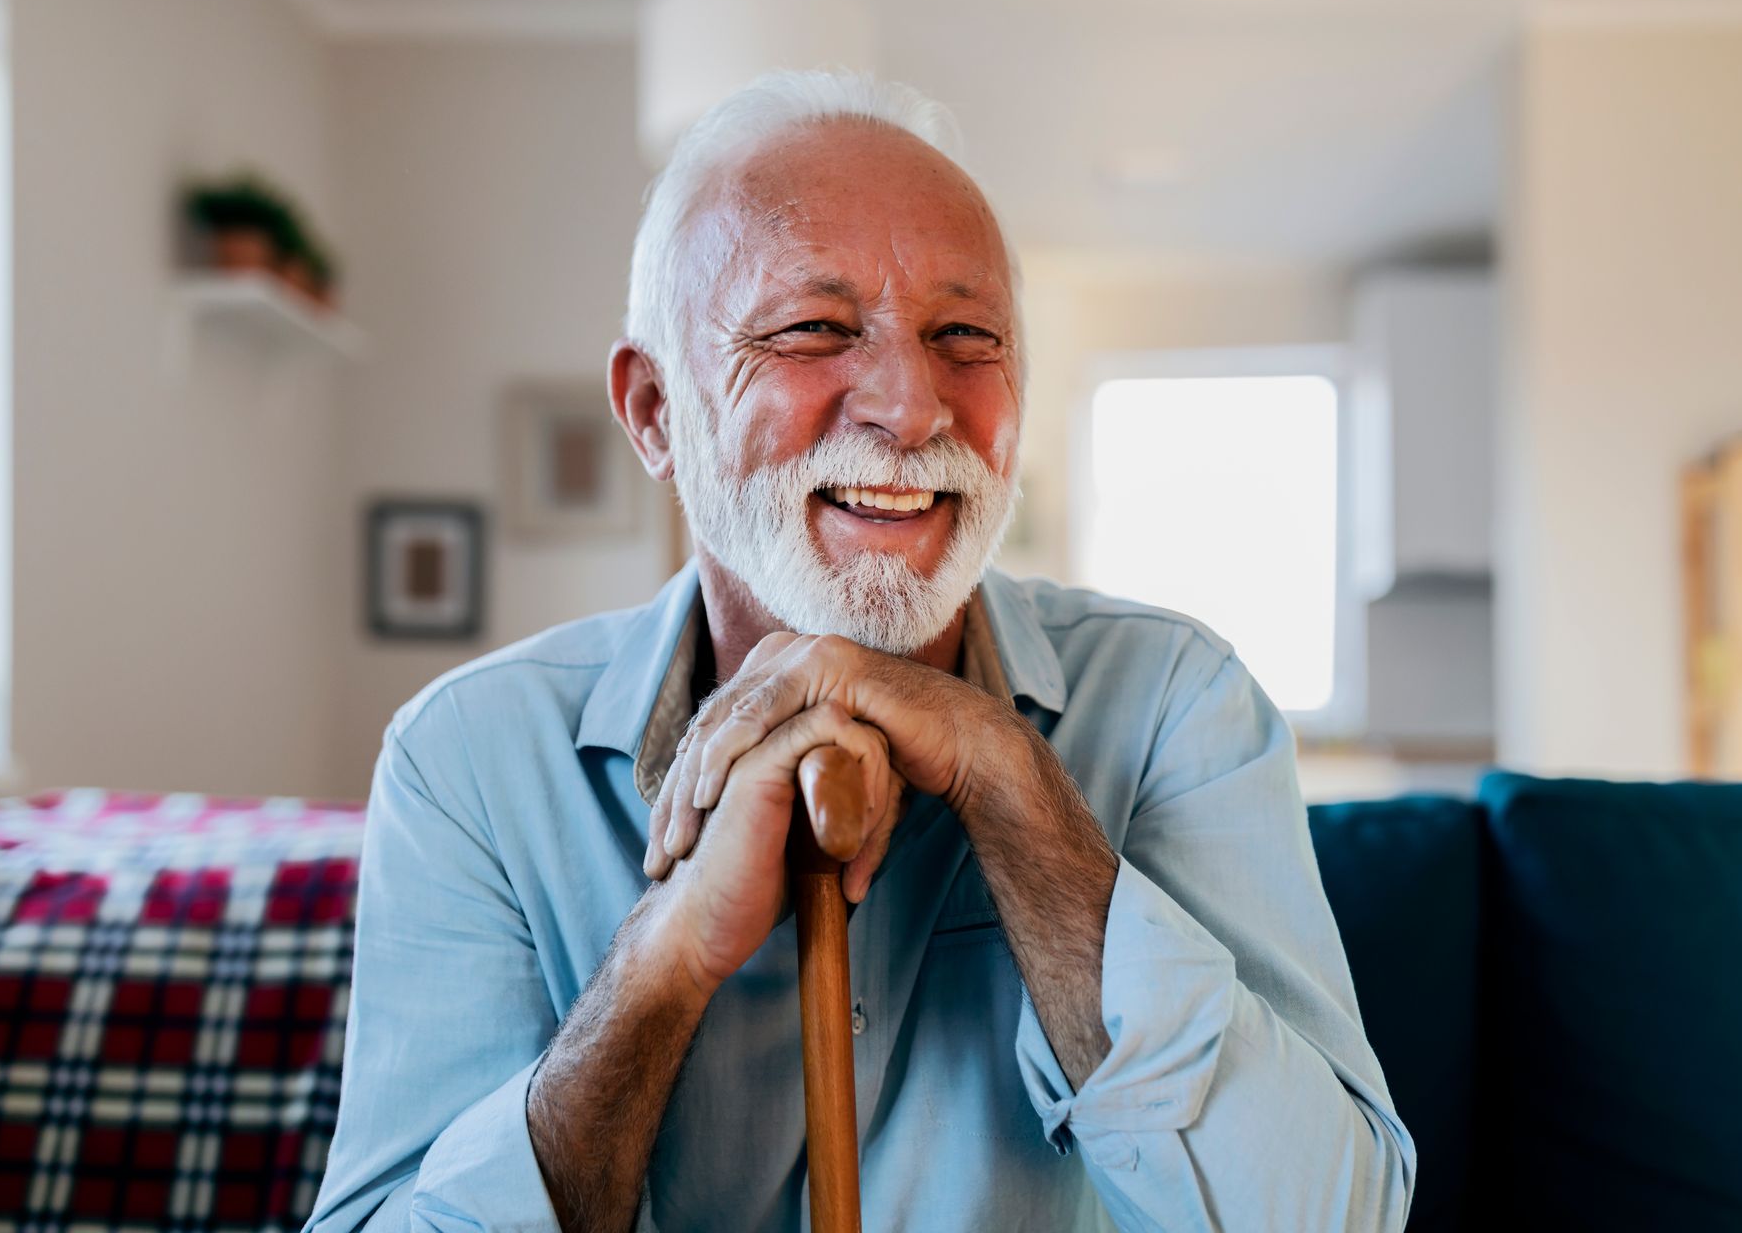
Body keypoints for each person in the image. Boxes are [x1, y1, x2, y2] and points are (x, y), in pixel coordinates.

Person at [307, 70, 1414, 1233]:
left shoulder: (1182, 704)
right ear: (652, 411)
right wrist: (662, 965)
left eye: (964, 335)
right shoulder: (468, 756)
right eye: (816, 329)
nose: (912, 403)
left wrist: (1012, 782)